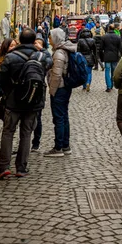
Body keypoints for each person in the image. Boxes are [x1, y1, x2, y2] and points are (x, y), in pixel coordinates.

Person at [0, 28, 52, 179]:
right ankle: (21, 167)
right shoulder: (41, 56)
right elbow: (50, 62)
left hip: (13, 101)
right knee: (26, 134)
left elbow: (0, 78)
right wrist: (43, 49)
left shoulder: (11, 56)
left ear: (19, 40)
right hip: (33, 100)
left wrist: (10, 90)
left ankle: (4, 167)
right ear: (34, 41)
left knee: (8, 132)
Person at [44, 27, 75, 157]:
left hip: (60, 88)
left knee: (59, 118)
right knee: (64, 116)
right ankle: (66, 145)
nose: (49, 39)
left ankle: (58, 148)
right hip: (65, 88)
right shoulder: (64, 49)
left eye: (50, 37)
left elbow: (56, 75)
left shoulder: (58, 53)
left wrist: (52, 90)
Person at [0, 38, 17, 121]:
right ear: (5, 47)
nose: (14, 48)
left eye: (15, 46)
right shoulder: (2, 60)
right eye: (11, 46)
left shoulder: (16, 58)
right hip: (6, 97)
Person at [101, 24, 122, 92]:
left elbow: (101, 48)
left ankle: (108, 86)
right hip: (115, 56)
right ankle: (112, 84)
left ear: (108, 29)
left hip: (107, 56)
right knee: (113, 71)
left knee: (107, 71)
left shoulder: (104, 37)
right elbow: (120, 48)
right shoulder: (118, 37)